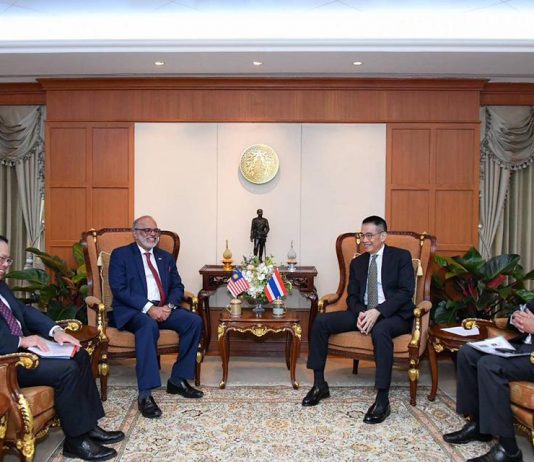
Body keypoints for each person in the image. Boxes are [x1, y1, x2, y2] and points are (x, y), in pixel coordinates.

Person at [0, 235, 124, 461]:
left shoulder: (2, 287)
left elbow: (25, 312)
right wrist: (21, 341)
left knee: (80, 355)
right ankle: (75, 442)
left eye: (7, 260)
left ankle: (89, 427)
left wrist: (55, 331)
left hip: (25, 353)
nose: (5, 265)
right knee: (67, 370)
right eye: (1, 259)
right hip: (7, 363)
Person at [302, 216, 415, 425]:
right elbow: (352, 296)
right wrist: (362, 312)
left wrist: (378, 311)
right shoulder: (358, 262)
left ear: (383, 236)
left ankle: (382, 399)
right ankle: (319, 384)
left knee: (380, 331)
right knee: (321, 321)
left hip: (394, 315)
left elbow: (405, 292)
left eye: (369, 235)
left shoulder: (401, 257)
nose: (365, 240)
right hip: (363, 312)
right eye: (363, 235)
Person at [108, 215, 204, 419]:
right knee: (147, 325)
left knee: (194, 321)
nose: (152, 234)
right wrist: (149, 308)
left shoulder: (165, 257)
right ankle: (145, 394)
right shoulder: (121, 255)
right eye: (146, 230)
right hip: (134, 310)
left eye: (155, 231)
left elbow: (177, 286)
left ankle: (177, 380)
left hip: (163, 308)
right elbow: (119, 289)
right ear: (135, 234)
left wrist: (168, 307)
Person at [442, 301, 534, 462]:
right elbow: (522, 311)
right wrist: (516, 318)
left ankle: (509, 450)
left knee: (490, 365)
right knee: (467, 352)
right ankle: (479, 425)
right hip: (522, 347)